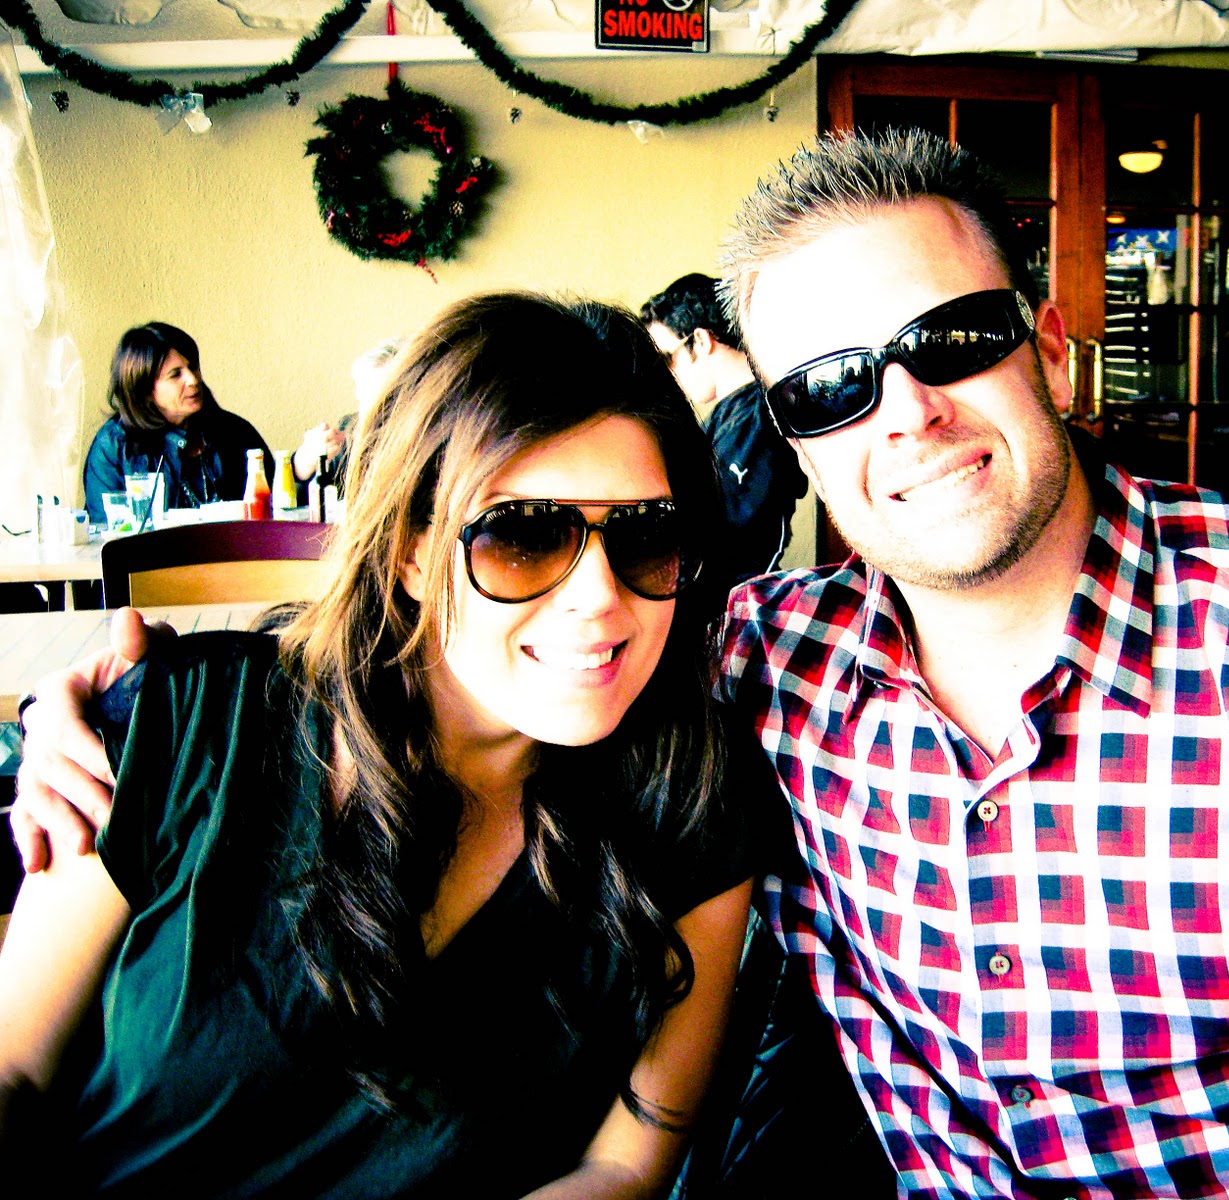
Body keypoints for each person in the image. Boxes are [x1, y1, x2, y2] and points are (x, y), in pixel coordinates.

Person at [12, 134, 1229, 1198]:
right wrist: (82, 703)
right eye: (829, 385)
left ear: (1048, 341)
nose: (905, 411)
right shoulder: (770, 665)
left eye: (953, 340)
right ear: (791, 440)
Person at [0, 292, 757, 1196]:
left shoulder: (693, 797)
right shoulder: (189, 726)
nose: (600, 596)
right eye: (523, 536)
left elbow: (625, 1165)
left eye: (644, 536)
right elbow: (15, 1068)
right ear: (407, 550)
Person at [642, 274, 808, 583]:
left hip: (726, 600)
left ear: (701, 341)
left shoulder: (763, 417)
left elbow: (725, 536)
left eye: (666, 359)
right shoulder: (728, 414)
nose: (665, 374)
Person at [83, 322, 272, 523]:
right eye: (175, 375)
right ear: (145, 390)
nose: (193, 380)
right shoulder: (114, 447)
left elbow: (275, 509)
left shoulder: (235, 432)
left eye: (193, 367)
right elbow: (106, 529)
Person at [291, 337, 403, 498]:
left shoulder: (431, 438)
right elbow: (304, 498)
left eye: (386, 398)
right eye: (364, 397)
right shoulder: (350, 430)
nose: (370, 410)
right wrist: (304, 463)